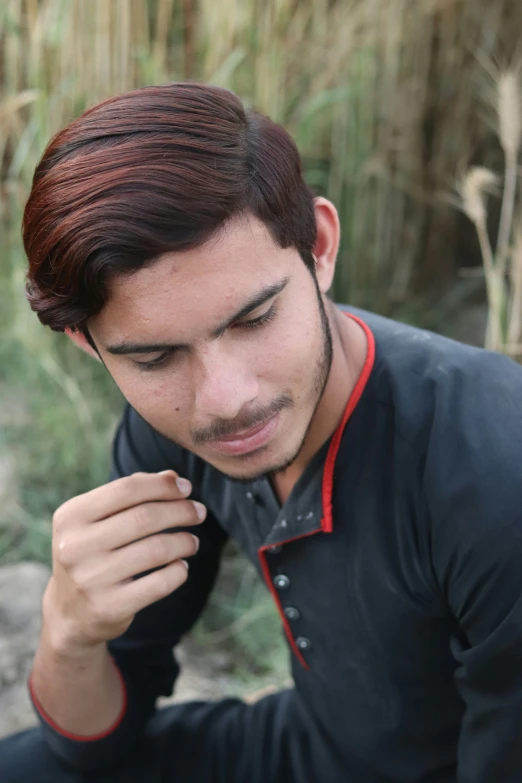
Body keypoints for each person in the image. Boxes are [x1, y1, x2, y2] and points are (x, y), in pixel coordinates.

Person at [1, 82, 522, 783]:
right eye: (155, 357)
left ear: (321, 246)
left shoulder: (494, 470)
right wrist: (67, 628)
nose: (226, 401)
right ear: (87, 345)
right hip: (311, 751)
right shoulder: (169, 436)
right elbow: (93, 746)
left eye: (254, 319)